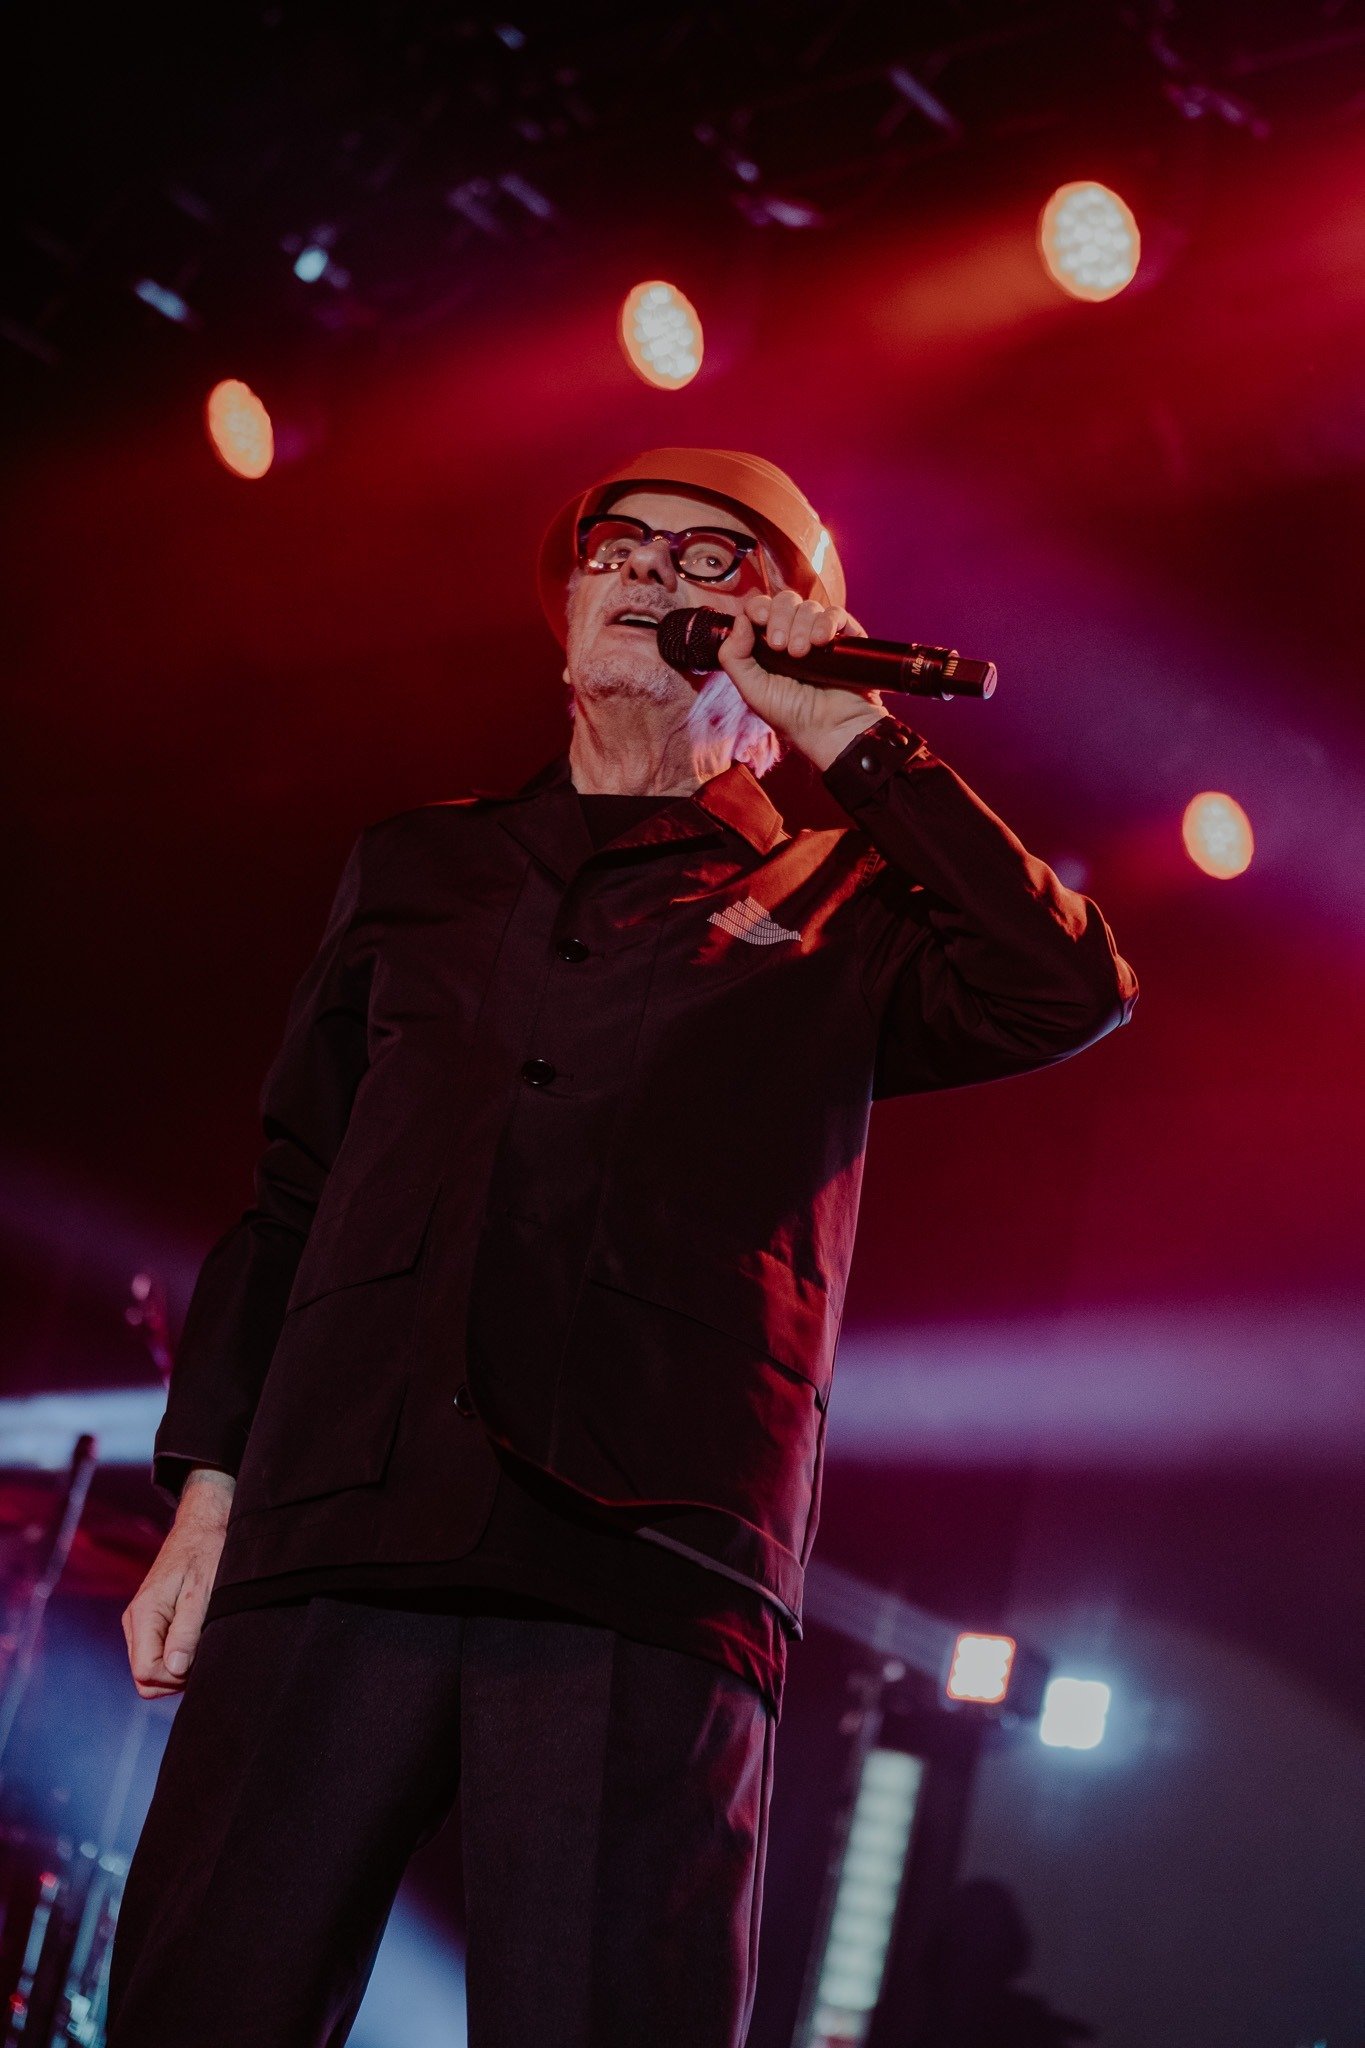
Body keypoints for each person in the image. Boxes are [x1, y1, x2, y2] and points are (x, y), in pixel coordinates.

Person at [109, 447, 1137, 2047]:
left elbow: (1061, 991)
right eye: (619, 545)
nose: (649, 570)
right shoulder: (420, 865)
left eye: (710, 559)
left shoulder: (844, 895)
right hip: (337, 1515)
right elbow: (294, 1191)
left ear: (780, 626)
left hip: (643, 1547)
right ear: (568, 611)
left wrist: (850, 737)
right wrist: (208, 1499)